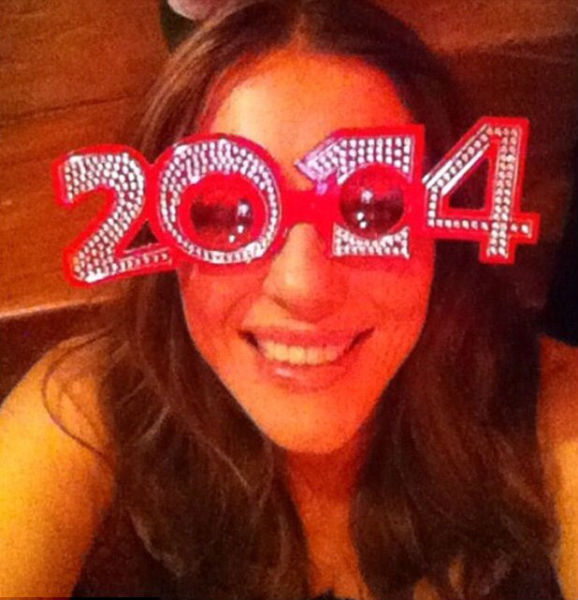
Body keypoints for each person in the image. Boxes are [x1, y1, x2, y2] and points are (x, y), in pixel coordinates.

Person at [1, 1, 576, 598]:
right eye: (226, 212)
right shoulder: (82, 415)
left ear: (444, 228)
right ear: (161, 232)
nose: (304, 288)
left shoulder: (550, 408)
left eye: (374, 207)